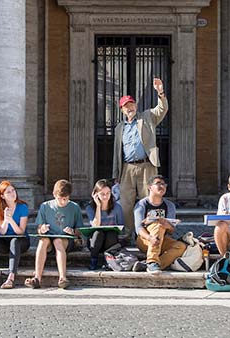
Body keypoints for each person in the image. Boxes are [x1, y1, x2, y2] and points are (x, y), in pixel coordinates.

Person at [112, 78, 168, 241]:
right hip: (127, 167)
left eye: (131, 104)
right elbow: (117, 152)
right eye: (126, 106)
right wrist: (116, 173)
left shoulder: (147, 117)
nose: (130, 108)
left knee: (148, 199)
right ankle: (129, 233)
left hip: (146, 165)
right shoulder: (119, 128)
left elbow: (162, 109)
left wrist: (160, 92)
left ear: (136, 106)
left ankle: (148, 232)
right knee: (126, 203)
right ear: (122, 110)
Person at [25, 179, 83, 289]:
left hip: (65, 240)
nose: (62, 202)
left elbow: (79, 229)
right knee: (43, 241)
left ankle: (62, 277)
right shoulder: (45, 206)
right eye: (59, 198)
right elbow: (39, 228)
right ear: (54, 195)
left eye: (65, 199)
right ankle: (37, 278)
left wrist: (73, 231)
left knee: (58, 241)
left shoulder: (75, 207)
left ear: (69, 196)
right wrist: (42, 229)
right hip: (48, 238)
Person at [0, 181, 30, 289]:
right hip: (5, 239)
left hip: (21, 240)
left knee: (15, 241)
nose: (12, 193)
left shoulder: (22, 207)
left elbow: (21, 231)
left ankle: (11, 278)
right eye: (8, 192)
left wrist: (11, 220)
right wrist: (6, 220)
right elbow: (2, 231)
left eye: (13, 190)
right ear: (2, 196)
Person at [134, 175, 185, 274]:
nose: (162, 186)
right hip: (145, 240)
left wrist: (168, 226)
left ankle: (149, 264)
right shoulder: (141, 204)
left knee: (181, 246)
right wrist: (150, 238)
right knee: (158, 225)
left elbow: (172, 231)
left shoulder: (169, 205)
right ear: (150, 187)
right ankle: (152, 261)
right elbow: (138, 229)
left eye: (163, 184)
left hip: (162, 240)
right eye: (158, 183)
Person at [85, 179, 124, 270]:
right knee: (98, 232)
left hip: (111, 241)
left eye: (108, 193)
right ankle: (93, 260)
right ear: (95, 194)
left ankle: (109, 261)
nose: (106, 196)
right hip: (95, 242)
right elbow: (95, 225)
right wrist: (98, 206)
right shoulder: (90, 207)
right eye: (102, 194)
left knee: (111, 233)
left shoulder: (117, 207)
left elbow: (122, 227)